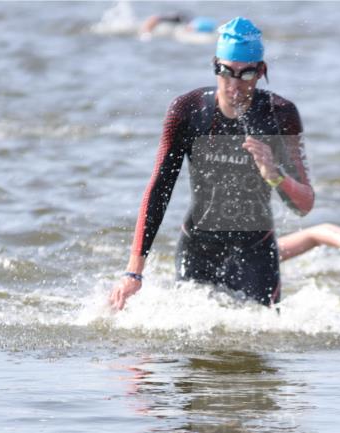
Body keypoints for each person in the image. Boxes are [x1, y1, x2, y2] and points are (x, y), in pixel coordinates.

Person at [111, 17, 323, 310]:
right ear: (214, 66)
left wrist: (275, 175)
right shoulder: (188, 110)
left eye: (246, 74)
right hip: (198, 248)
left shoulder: (280, 114)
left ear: (261, 72)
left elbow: (304, 205)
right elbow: (160, 189)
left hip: (256, 253)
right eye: (226, 72)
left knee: (260, 333)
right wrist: (134, 272)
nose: (234, 84)